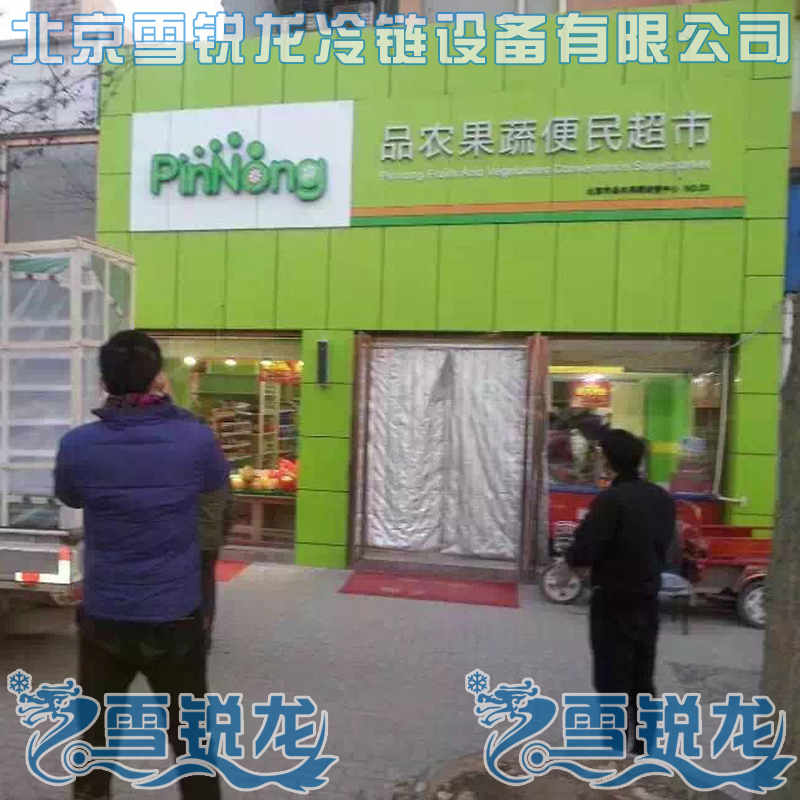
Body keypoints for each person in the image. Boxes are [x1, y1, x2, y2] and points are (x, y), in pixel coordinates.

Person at [55, 330, 228, 800]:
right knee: (192, 743)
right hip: (175, 616)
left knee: (94, 741)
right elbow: (212, 486)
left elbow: (70, 496)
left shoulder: (77, 445)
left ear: (103, 382)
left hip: (105, 617)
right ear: (157, 379)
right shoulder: (196, 439)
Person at [565, 429, 675, 756]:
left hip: (613, 601)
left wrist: (576, 559)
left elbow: (582, 552)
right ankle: (643, 751)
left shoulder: (610, 501)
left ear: (610, 461)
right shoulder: (662, 499)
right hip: (648, 600)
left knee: (612, 681)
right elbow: (666, 548)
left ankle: (614, 755)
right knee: (642, 679)